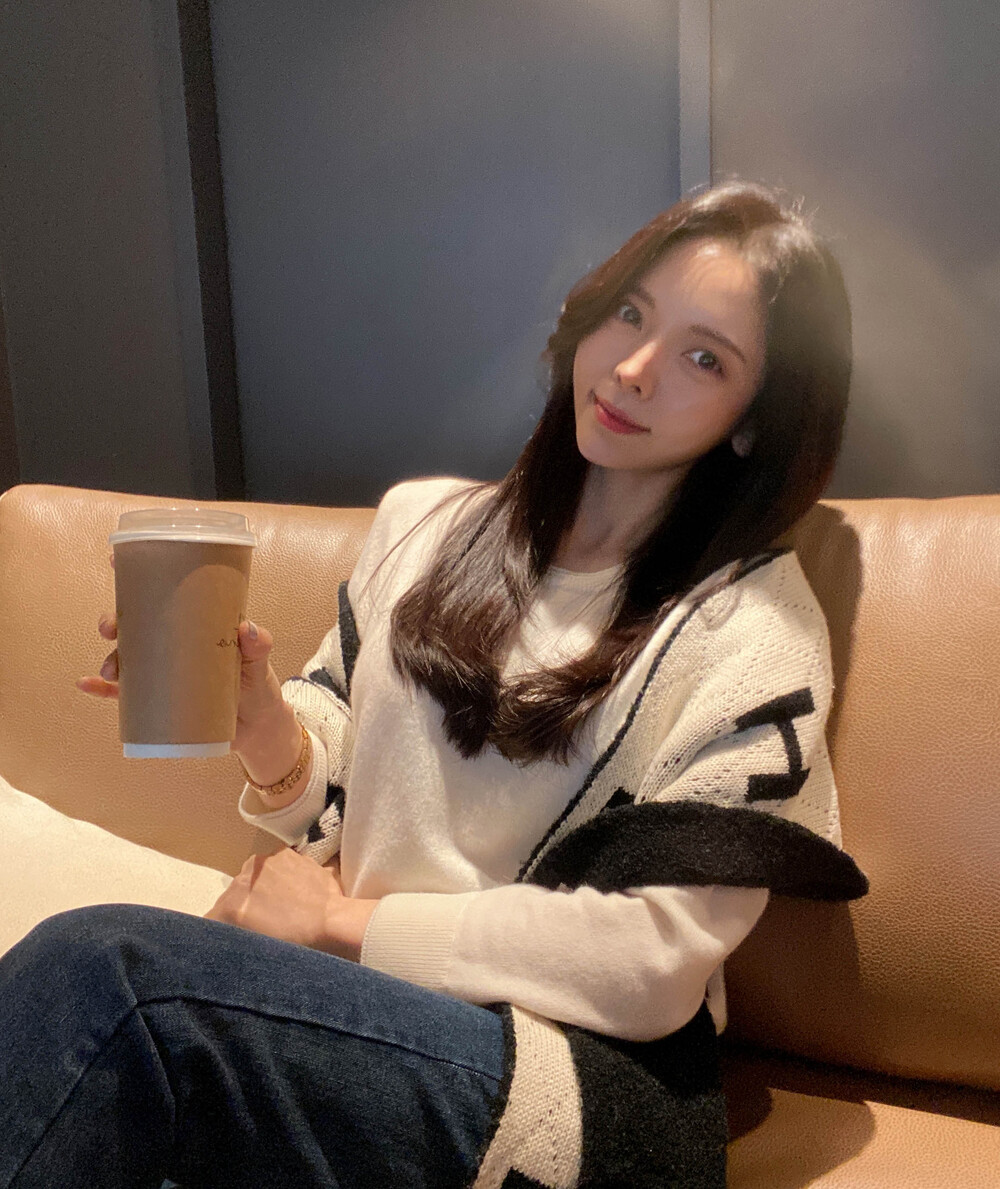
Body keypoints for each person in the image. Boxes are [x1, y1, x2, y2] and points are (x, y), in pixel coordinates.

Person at [0, 179, 867, 1189]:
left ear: (755, 420)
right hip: (351, 1015)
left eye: (703, 357)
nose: (634, 369)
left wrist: (337, 925)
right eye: (631, 313)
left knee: (107, 978)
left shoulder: (751, 633)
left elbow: (649, 961)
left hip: (577, 1091)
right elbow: (333, 794)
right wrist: (262, 723)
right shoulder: (426, 526)